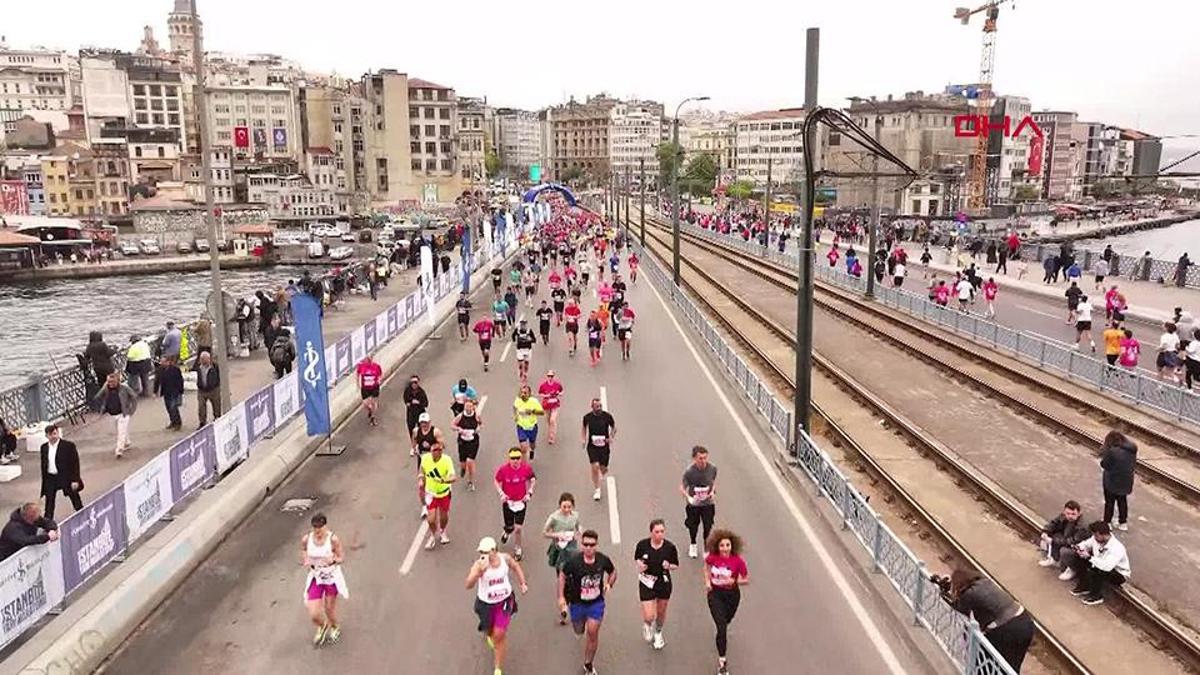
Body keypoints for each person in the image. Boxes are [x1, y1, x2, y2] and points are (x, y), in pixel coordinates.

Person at [941, 568, 1033, 671]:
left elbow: (959, 606)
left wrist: (943, 592)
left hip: (1007, 628)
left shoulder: (969, 594)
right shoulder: (985, 581)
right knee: (1012, 665)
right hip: (1025, 621)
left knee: (985, 661)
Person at [558, 529, 617, 675]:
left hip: (596, 603)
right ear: (582, 545)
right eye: (586, 545)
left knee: (592, 632)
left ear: (596, 545)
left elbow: (613, 571)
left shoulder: (602, 560)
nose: (589, 548)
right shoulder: (574, 562)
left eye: (592, 545)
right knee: (579, 629)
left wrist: (609, 584)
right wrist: (561, 597)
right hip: (577, 603)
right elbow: (562, 575)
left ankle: (588, 663)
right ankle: (579, 628)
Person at [467, 536, 528, 675]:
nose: (483, 555)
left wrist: (522, 583)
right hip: (486, 604)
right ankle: (489, 635)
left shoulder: (504, 558)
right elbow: (468, 584)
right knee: (490, 631)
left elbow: (515, 566)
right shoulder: (479, 565)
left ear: (494, 550)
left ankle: (498, 669)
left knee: (499, 634)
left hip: (504, 602)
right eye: (481, 552)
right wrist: (478, 573)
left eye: (486, 552)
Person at [704, 529, 750, 675]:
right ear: (717, 546)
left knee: (726, 620)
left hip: (732, 596)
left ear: (732, 546)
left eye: (727, 545)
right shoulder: (713, 558)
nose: (725, 548)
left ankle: (721, 632)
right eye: (722, 545)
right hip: (715, 595)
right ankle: (722, 661)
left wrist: (735, 580)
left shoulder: (737, 561)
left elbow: (746, 578)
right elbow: (706, 567)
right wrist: (707, 582)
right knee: (721, 627)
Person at [301, 512, 348, 646]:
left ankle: (335, 626)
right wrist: (306, 560)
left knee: (328, 609)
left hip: (331, 578)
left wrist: (333, 559)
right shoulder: (307, 539)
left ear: (325, 527)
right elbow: (303, 550)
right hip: (316, 578)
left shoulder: (333, 539)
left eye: (320, 528)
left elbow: (341, 557)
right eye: (315, 528)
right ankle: (322, 625)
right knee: (314, 613)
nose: (317, 531)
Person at [635, 519, 679, 650]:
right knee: (649, 615)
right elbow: (637, 558)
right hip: (647, 581)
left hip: (663, 581)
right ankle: (647, 624)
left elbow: (676, 565)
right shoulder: (642, 545)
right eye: (657, 532)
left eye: (662, 531)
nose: (659, 534)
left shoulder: (670, 547)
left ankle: (658, 632)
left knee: (661, 611)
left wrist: (669, 566)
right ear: (651, 532)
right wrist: (640, 565)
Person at [1064, 521, 1130, 606]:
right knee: (1080, 558)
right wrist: (1079, 548)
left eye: (1096, 535)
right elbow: (1086, 544)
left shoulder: (1117, 548)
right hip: (1099, 562)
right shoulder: (1096, 539)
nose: (1094, 538)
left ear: (1104, 535)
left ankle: (1096, 596)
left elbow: (1107, 566)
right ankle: (1084, 586)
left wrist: (1089, 557)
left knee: (1098, 570)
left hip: (1117, 573)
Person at [543, 493, 581, 621]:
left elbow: (578, 526)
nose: (566, 510)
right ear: (560, 505)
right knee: (561, 576)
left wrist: (579, 532)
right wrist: (558, 535)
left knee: (574, 574)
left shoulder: (575, 515)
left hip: (572, 548)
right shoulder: (554, 517)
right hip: (559, 549)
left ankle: (572, 599)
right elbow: (545, 532)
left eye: (569, 507)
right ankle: (563, 606)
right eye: (564, 507)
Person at [495, 448, 536, 560]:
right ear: (509, 459)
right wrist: (501, 494)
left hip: (521, 502)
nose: (515, 460)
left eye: (518, 458)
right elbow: (497, 481)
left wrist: (530, 492)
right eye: (513, 458)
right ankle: (507, 532)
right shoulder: (503, 470)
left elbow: (532, 479)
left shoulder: (525, 468)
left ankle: (518, 548)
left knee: (518, 528)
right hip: (508, 502)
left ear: (520, 458)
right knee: (510, 526)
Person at [39, 424, 83, 520]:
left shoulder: (68, 446)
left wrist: (75, 479)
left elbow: (75, 463)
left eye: (55, 433)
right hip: (51, 478)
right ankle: (48, 522)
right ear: (47, 436)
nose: (53, 436)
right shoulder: (44, 448)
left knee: (74, 496)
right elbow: (44, 464)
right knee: (49, 502)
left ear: (58, 433)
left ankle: (81, 514)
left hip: (65, 476)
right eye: (51, 435)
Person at [681, 445, 718, 559]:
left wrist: (713, 492)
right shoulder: (689, 472)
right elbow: (682, 487)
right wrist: (688, 497)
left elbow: (713, 482)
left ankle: (706, 547)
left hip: (708, 504)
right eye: (700, 458)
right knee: (693, 526)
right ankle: (693, 544)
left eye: (705, 458)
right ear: (694, 458)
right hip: (694, 505)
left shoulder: (712, 469)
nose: (703, 461)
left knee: (708, 525)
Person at [419, 441, 457, 550]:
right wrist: (421, 478)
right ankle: (433, 534)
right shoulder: (425, 459)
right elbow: (422, 469)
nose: (437, 452)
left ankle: (442, 530)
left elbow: (453, 477)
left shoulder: (446, 460)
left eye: (439, 450)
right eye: (434, 450)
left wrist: (444, 480)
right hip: (431, 493)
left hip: (444, 493)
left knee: (443, 516)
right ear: (430, 451)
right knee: (431, 519)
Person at [1038, 500, 1088, 573]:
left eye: (1073, 514)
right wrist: (1045, 532)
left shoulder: (1083, 526)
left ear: (1079, 513)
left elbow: (1073, 541)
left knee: (1064, 551)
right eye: (1068, 513)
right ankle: (1054, 559)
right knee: (1053, 536)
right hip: (1066, 538)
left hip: (1077, 548)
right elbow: (1053, 523)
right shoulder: (1063, 516)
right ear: (1064, 512)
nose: (1070, 516)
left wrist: (1053, 541)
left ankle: (1073, 569)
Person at [1100, 430, 1137, 531]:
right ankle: (1123, 522)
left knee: (1109, 502)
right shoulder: (1132, 448)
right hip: (1126, 481)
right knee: (1122, 501)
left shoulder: (1112, 452)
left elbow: (1105, 464)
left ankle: (1107, 522)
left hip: (1112, 481)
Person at [582, 398, 616, 501]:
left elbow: (614, 427)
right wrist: (583, 439)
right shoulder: (587, 417)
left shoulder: (607, 416)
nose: (599, 408)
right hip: (592, 446)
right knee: (595, 466)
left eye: (600, 406)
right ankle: (597, 489)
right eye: (597, 406)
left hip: (604, 446)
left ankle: (601, 473)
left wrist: (610, 437)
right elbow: (584, 428)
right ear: (592, 407)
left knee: (603, 468)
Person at [94, 372, 136, 457]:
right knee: (121, 430)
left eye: (112, 382)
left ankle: (119, 450)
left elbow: (133, 397)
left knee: (121, 432)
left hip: (123, 413)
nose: (111, 384)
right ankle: (127, 442)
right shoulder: (106, 388)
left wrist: (131, 410)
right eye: (109, 382)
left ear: (118, 381)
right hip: (113, 413)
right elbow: (98, 396)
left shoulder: (124, 388)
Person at [452, 399, 483, 490]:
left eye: (470, 406)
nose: (468, 408)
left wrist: (478, 429)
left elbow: (481, 424)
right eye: (467, 406)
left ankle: (471, 481)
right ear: (464, 407)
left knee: (470, 461)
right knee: (463, 461)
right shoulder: (460, 416)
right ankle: (463, 468)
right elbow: (452, 425)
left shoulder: (476, 416)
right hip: (463, 441)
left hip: (473, 441)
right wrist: (459, 429)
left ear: (473, 407)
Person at [513, 384, 545, 460]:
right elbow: (514, 407)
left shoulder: (534, 401)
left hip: (532, 427)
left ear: (529, 394)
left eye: (525, 393)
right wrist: (516, 416)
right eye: (522, 392)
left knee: (532, 444)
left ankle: (532, 450)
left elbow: (542, 412)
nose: (523, 394)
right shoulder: (518, 400)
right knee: (523, 448)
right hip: (521, 427)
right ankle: (525, 466)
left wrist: (532, 411)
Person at [192, 351, 221, 428]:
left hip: (213, 389)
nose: (204, 360)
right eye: (202, 359)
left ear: (209, 359)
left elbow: (220, 375)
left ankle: (217, 418)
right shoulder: (198, 367)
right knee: (201, 406)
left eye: (205, 359)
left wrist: (217, 385)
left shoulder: (214, 366)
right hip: (202, 390)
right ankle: (202, 422)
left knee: (216, 405)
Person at [356, 354, 383, 426]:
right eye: (367, 359)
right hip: (365, 388)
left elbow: (380, 374)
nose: (368, 360)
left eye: (370, 358)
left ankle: (373, 418)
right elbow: (357, 374)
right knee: (365, 403)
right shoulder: (361, 366)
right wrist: (357, 383)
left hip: (374, 387)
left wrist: (379, 380)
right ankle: (370, 411)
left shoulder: (376, 366)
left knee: (374, 403)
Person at [537, 370, 564, 445]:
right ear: (547, 377)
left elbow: (562, 392)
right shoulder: (543, 385)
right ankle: (551, 430)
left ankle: (551, 437)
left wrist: (559, 394)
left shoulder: (557, 384)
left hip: (555, 404)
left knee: (552, 420)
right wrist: (546, 396)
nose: (550, 378)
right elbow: (540, 393)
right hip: (547, 405)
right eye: (549, 376)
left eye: (552, 376)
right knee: (549, 421)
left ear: (554, 377)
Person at [159, 355, 185, 431]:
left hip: (174, 391)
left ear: (168, 362)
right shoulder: (161, 370)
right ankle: (173, 422)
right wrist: (155, 391)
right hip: (166, 392)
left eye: (164, 362)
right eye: (161, 362)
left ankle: (178, 423)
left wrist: (180, 391)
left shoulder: (175, 370)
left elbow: (180, 380)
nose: (162, 363)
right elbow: (158, 380)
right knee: (168, 408)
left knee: (173, 407)